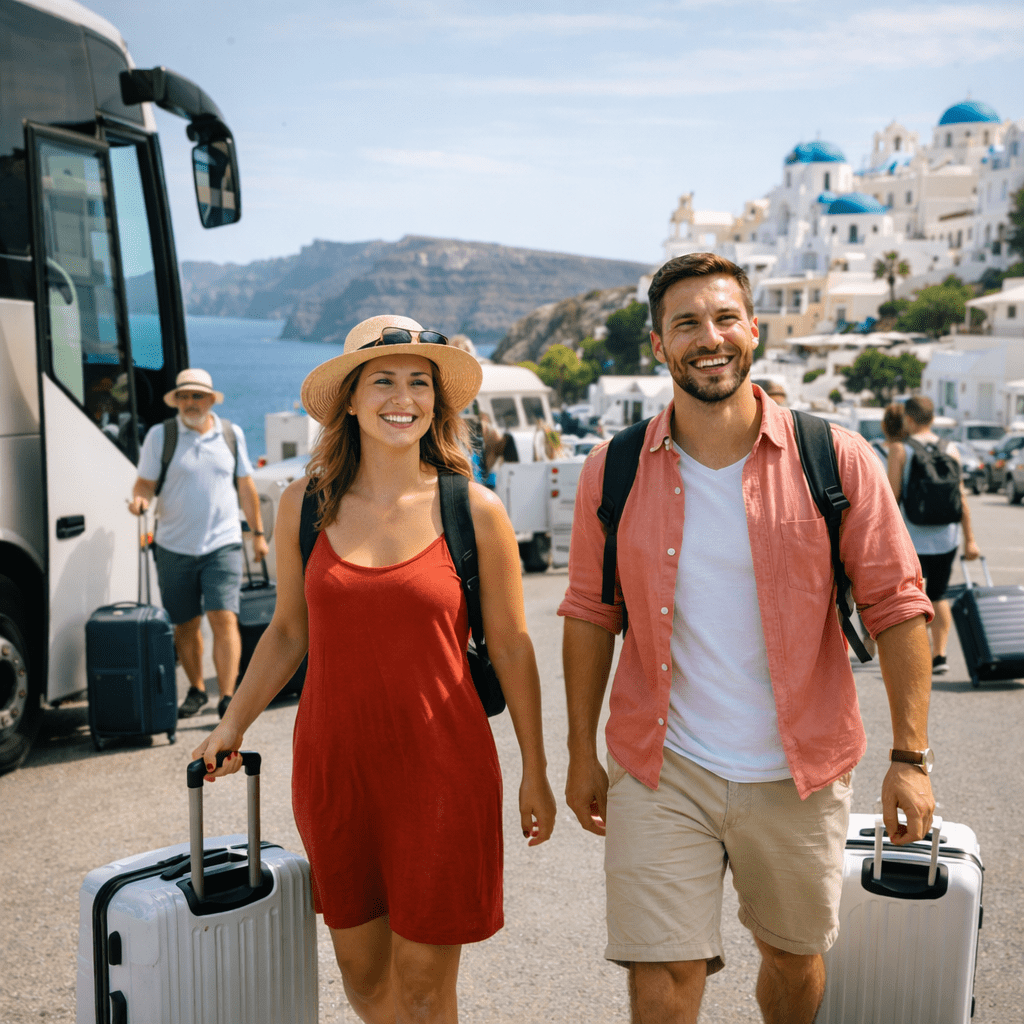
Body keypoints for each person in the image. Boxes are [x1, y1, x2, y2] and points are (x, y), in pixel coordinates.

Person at [559, 253, 936, 1024]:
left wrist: (910, 758)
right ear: (658, 346)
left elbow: (899, 605)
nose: (710, 338)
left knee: (794, 966)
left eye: (725, 319)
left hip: (799, 766)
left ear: (753, 331)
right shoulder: (615, 468)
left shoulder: (835, 458)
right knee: (662, 985)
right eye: (687, 324)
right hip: (663, 766)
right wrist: (577, 753)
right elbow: (592, 613)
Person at [193, 315, 556, 1024]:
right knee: (362, 978)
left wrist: (535, 770)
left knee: (423, 990)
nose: (403, 396)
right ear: (350, 401)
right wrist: (229, 723)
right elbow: (288, 632)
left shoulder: (473, 509)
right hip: (338, 770)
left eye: (419, 382)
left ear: (437, 402)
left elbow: (511, 645)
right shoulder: (305, 505)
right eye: (382, 380)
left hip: (442, 773)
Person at [128, 368, 268, 719]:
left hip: (223, 543)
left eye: (197, 396)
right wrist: (139, 501)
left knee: (224, 617)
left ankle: (227, 696)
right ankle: (197, 689)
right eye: (184, 396)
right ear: (176, 401)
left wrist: (259, 536)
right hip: (173, 545)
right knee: (185, 624)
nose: (191, 402)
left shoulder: (230, 434)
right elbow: (144, 483)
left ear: (210, 400)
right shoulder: (161, 436)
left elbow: (246, 488)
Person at [887, 395, 980, 676]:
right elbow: (960, 497)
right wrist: (970, 539)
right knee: (939, 594)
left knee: (912, 597)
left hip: (912, 538)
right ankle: (939, 656)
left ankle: (918, 655)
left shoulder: (900, 450)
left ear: (909, 419)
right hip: (946, 537)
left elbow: (891, 498)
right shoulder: (952, 448)